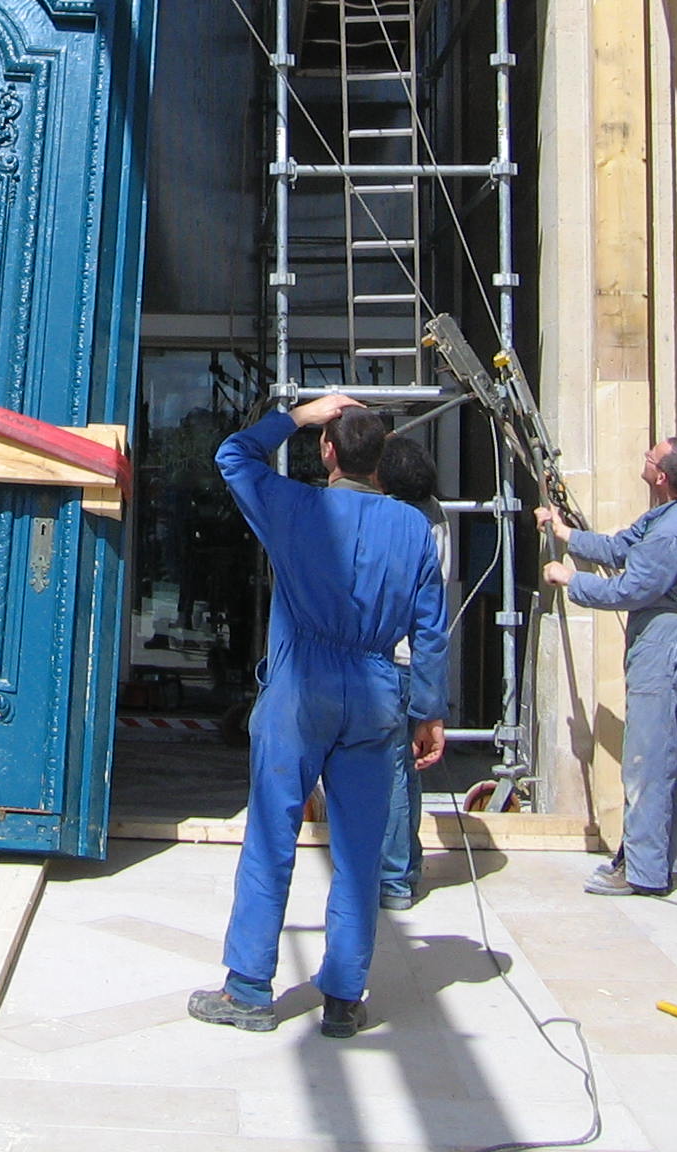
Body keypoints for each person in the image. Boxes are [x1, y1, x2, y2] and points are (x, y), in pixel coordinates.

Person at [190, 395, 448, 1040]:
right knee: (360, 848)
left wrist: (301, 415)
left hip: (301, 683)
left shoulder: (295, 507)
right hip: (375, 687)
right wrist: (428, 711)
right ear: (382, 462)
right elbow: (432, 630)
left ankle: (249, 989)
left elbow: (233, 454)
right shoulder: (413, 528)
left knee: (272, 834)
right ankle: (343, 997)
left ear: (327, 452)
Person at [538, 436, 677, 897]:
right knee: (646, 755)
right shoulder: (665, 518)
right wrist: (567, 534)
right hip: (656, 640)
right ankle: (641, 858)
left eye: (650, 457)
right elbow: (621, 548)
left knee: (648, 761)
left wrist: (571, 580)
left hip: (666, 645)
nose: (645, 457)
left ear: (661, 475)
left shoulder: (675, 533)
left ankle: (644, 872)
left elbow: (628, 589)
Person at [374, 434, 450, 910]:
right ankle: (405, 865)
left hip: (398, 658)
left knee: (395, 769)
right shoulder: (434, 514)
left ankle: (395, 877)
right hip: (416, 659)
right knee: (405, 769)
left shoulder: (405, 524)